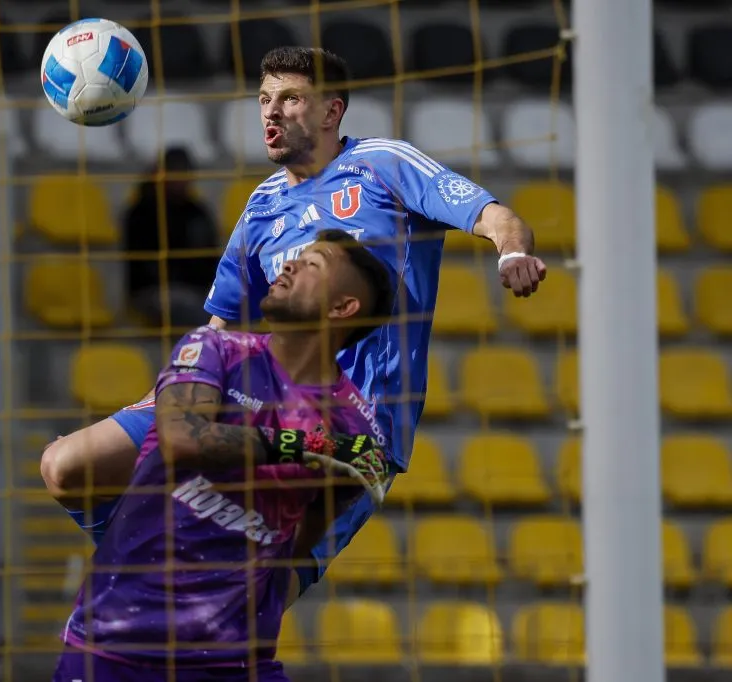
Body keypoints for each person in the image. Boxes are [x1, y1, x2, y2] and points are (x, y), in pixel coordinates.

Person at [42, 46, 547, 602]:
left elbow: (495, 216)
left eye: (290, 99)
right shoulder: (260, 207)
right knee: (68, 466)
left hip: (355, 431)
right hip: (258, 396)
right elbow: (220, 327)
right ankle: (146, 572)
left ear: (331, 112)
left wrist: (510, 253)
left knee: (253, 599)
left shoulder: (386, 164)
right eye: (264, 99)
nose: (271, 113)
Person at [52, 229, 395, 682]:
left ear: (342, 308)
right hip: (114, 649)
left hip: (234, 664)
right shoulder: (214, 349)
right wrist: (303, 447)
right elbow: (181, 440)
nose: (288, 265)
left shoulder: (353, 426)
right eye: (295, 257)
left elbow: (302, 538)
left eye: (314, 264)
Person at [123, 146, 221, 329]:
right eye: (176, 171)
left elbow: (211, 260)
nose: (182, 179)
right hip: (154, 292)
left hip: (197, 290)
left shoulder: (198, 212)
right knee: (197, 309)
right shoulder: (142, 212)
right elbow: (143, 269)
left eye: (185, 172)